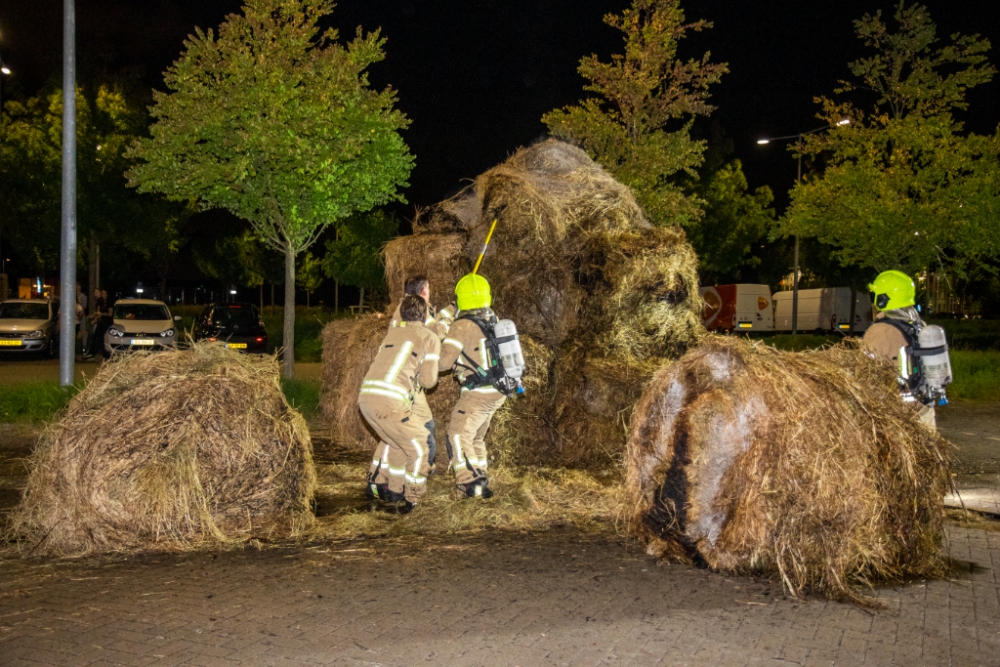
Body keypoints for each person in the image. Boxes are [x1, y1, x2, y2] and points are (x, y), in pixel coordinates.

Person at [358, 294, 442, 513]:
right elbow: (429, 381)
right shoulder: (429, 337)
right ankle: (413, 499)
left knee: (397, 443)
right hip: (391, 401)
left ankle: (395, 490)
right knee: (420, 445)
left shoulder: (392, 332)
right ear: (426, 315)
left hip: (366, 399)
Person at [438, 273, 508, 499]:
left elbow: (443, 363)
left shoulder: (461, 326)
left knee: (457, 435)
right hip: (497, 390)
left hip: (478, 392)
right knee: (475, 437)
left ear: (461, 298)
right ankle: (479, 478)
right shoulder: (493, 320)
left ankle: (471, 484)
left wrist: (441, 329)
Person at [387, 276, 455, 473]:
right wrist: (454, 315)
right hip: (405, 379)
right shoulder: (415, 311)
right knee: (421, 429)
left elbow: (432, 321)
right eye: (429, 289)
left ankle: (421, 466)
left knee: (426, 424)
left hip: (408, 377)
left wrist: (451, 308)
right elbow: (436, 331)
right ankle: (419, 469)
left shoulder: (407, 307)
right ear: (424, 291)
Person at [863, 270, 937, 429]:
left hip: (897, 417)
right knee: (927, 453)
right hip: (924, 409)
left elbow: (863, 373)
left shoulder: (879, 331)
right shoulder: (920, 326)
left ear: (883, 299)